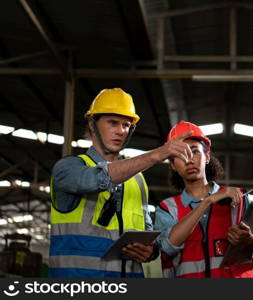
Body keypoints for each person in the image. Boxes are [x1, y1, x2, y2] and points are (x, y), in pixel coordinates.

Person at [49, 88, 194, 278]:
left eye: (126, 125)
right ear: (92, 125)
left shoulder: (138, 180)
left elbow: (147, 234)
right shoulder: (67, 169)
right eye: (113, 123)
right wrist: (158, 154)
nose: (120, 131)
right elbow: (98, 178)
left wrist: (150, 251)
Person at [155, 121, 253, 278]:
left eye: (195, 152)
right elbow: (166, 247)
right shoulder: (167, 208)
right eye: (180, 155)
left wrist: (250, 240)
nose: (189, 160)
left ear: (206, 157)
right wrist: (207, 201)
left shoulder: (238, 198)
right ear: (172, 164)